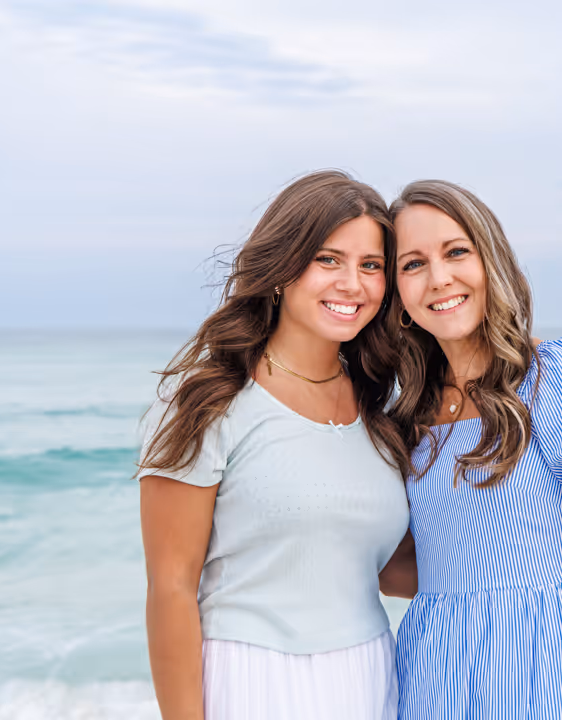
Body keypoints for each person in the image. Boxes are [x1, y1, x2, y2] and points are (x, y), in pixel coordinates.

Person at [137, 170, 411, 720]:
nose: (352, 285)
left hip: (371, 676)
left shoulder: (381, 411)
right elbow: (171, 590)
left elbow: (383, 568)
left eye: (371, 266)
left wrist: (529, 554)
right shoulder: (207, 404)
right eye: (328, 260)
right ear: (284, 268)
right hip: (251, 679)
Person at [385, 180, 562, 720]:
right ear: (400, 300)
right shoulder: (404, 421)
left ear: (492, 261)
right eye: (413, 264)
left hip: (548, 676)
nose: (439, 278)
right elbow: (400, 569)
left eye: (456, 251)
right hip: (431, 681)